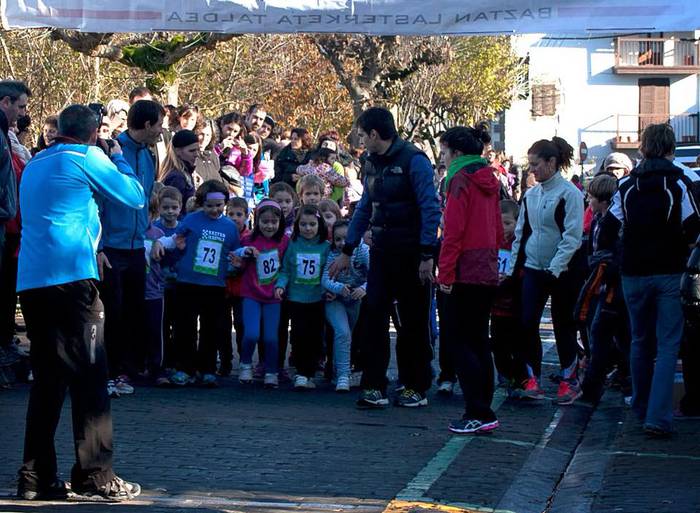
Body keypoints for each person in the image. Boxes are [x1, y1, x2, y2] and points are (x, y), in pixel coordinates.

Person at [16, 104, 145, 501]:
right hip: (72, 278)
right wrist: (118, 157)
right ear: (92, 134)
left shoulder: (36, 161)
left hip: (33, 280)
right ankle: (96, 475)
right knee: (91, 376)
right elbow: (135, 196)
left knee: (49, 380)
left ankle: (35, 477)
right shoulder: (87, 156)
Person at [329, 107, 441, 409]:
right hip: (382, 250)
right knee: (374, 315)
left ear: (375, 134)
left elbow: (430, 209)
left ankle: (415, 384)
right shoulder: (371, 163)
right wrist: (347, 249)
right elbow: (365, 206)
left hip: (412, 253)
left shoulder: (414, 160)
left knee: (413, 322)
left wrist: (427, 254)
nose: (360, 140)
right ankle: (374, 384)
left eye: (362, 135)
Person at [599, 123, 700, 437]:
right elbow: (694, 226)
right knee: (668, 345)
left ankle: (639, 407)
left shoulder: (628, 184)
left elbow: (608, 228)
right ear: (670, 149)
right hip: (670, 271)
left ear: (642, 148)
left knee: (640, 341)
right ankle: (658, 417)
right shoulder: (681, 181)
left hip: (633, 273)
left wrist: (610, 255)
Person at [506, 136, 584, 404]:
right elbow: (521, 233)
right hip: (533, 268)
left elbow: (572, 236)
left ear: (552, 162)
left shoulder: (570, 194)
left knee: (564, 325)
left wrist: (555, 268)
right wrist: (514, 268)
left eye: (536, 165)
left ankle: (569, 379)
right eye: (529, 165)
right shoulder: (531, 195)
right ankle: (531, 378)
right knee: (527, 323)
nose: (532, 170)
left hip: (562, 271)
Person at [436, 126, 502, 434]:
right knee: (478, 341)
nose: (443, 158)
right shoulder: (490, 178)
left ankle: (478, 409)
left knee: (460, 341)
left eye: (445, 152)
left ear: (456, 153)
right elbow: (499, 227)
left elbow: (453, 232)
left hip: (464, 268)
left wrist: (445, 272)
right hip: (486, 266)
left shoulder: (459, 180)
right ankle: (483, 408)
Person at [100, 99, 164, 397]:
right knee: (112, 313)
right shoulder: (112, 151)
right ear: (148, 124)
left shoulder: (149, 155)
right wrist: (99, 243)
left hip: (137, 244)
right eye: (159, 124)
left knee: (133, 312)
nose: (161, 131)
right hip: (112, 245)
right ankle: (110, 372)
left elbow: (146, 196)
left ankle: (126, 369)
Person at [153, 180, 240, 387]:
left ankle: (207, 368)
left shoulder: (229, 227)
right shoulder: (191, 220)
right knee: (186, 328)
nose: (215, 209)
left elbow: (234, 252)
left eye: (219, 205)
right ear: (201, 203)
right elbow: (175, 239)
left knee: (211, 329)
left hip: (215, 285)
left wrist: (239, 260)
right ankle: (185, 367)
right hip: (188, 282)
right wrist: (160, 243)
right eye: (210, 205)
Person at [577, 174, 630, 404]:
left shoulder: (612, 223)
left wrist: (603, 269)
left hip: (610, 288)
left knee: (605, 335)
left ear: (604, 200)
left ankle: (592, 389)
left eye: (591, 197)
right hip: (600, 284)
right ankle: (604, 383)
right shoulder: (599, 220)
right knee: (608, 335)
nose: (588, 202)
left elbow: (614, 254)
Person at [234, 199, 289, 388]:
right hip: (251, 294)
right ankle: (246, 363)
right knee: (251, 334)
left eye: (274, 222)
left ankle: (272, 370)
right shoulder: (248, 239)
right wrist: (244, 253)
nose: (269, 226)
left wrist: (281, 285)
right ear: (257, 221)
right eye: (265, 221)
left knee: (271, 338)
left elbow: (286, 268)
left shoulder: (284, 242)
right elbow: (236, 259)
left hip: (273, 297)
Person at [275, 204, 330, 390]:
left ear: (319, 225)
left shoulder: (326, 247)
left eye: (312, 224)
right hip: (296, 299)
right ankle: (300, 372)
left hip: (317, 299)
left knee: (315, 336)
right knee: (298, 335)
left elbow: (329, 272)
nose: (308, 228)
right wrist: (281, 285)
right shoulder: (293, 245)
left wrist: (330, 289)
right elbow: (285, 270)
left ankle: (310, 372)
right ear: (297, 225)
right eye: (304, 224)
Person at [322, 220, 369, 392]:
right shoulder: (332, 254)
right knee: (342, 332)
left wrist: (364, 288)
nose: (342, 243)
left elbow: (375, 274)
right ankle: (343, 375)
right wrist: (339, 288)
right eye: (338, 239)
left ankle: (338, 369)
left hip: (355, 301)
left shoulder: (363, 251)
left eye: (346, 238)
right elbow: (325, 279)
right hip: (335, 300)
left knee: (347, 335)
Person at [490, 199, 527, 397]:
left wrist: (512, 276)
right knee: (497, 344)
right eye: (499, 223)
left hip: (514, 303)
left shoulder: (519, 244)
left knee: (516, 344)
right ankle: (505, 374)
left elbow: (524, 269)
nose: (503, 228)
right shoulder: (492, 241)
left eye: (507, 224)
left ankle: (518, 378)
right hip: (496, 305)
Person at [222, 196, 251, 376]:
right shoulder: (222, 233)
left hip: (242, 288)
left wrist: (241, 265)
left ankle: (244, 360)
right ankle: (225, 360)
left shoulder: (249, 238)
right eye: (230, 214)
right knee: (222, 325)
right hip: (224, 287)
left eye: (239, 214)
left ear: (247, 216)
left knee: (241, 324)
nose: (234, 218)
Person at [160, 129, 200, 214]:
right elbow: (173, 211)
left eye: (197, 150)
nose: (196, 154)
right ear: (178, 151)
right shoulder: (176, 177)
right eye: (192, 151)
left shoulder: (185, 173)